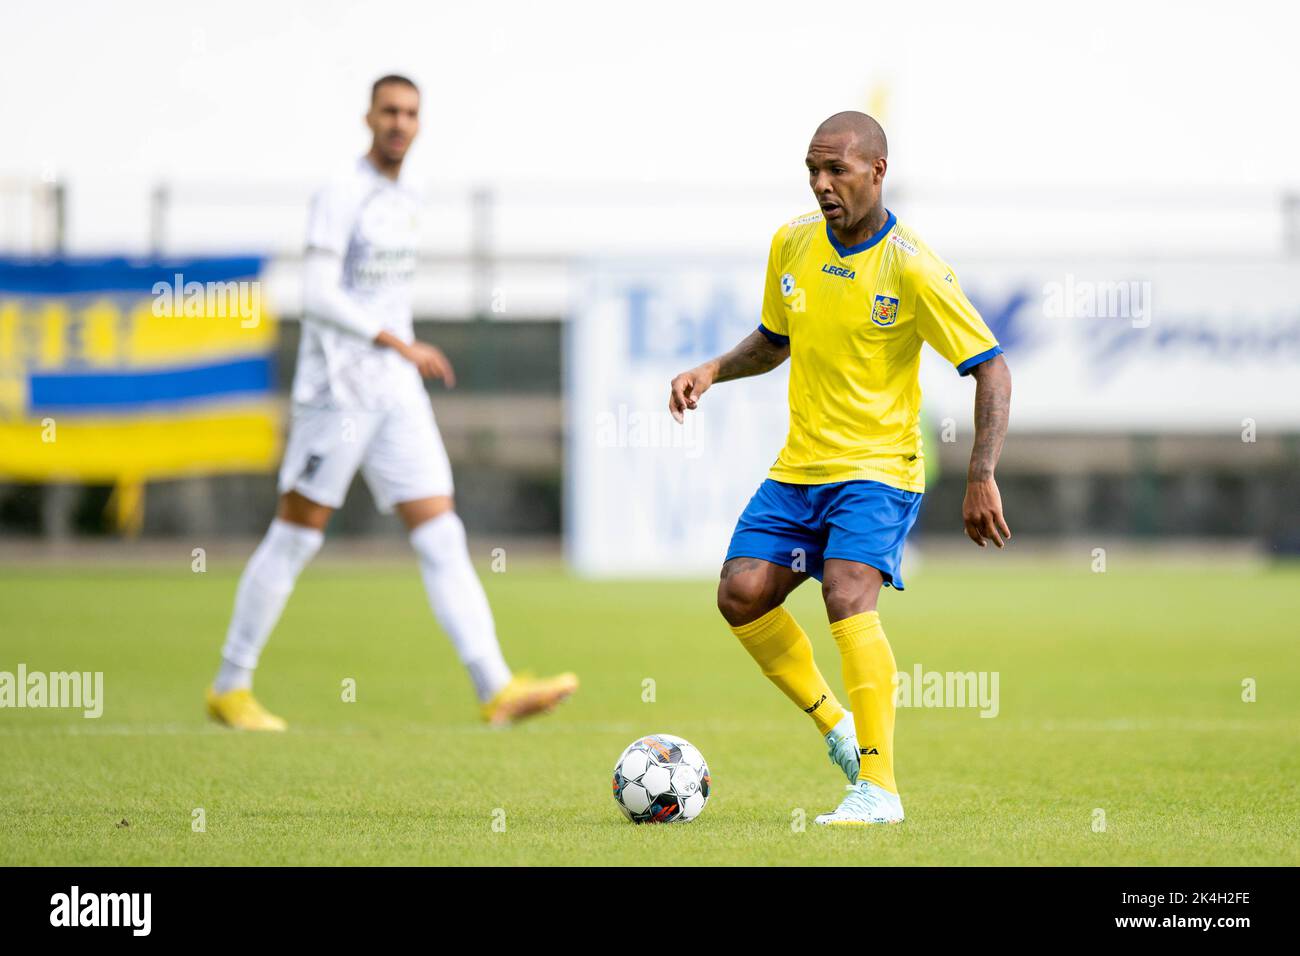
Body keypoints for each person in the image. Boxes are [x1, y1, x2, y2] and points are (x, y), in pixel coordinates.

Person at [668, 111, 1011, 825]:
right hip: (800, 468)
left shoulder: (912, 264)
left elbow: (992, 368)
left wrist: (981, 474)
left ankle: (880, 792)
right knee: (741, 596)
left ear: (877, 172)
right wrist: (712, 369)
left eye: (838, 171)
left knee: (848, 595)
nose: (823, 184)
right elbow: (773, 340)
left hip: (880, 467)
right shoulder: (792, 242)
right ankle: (840, 731)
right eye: (814, 171)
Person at [206, 74, 577, 731]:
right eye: (389, 112)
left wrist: (398, 353)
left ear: (420, 122)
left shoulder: (410, 194)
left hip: (394, 393)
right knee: (296, 535)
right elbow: (317, 294)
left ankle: (495, 686)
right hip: (338, 392)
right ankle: (231, 686)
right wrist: (394, 343)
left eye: (410, 113)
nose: (399, 123)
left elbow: (385, 293)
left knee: (441, 531)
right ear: (368, 118)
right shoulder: (341, 194)